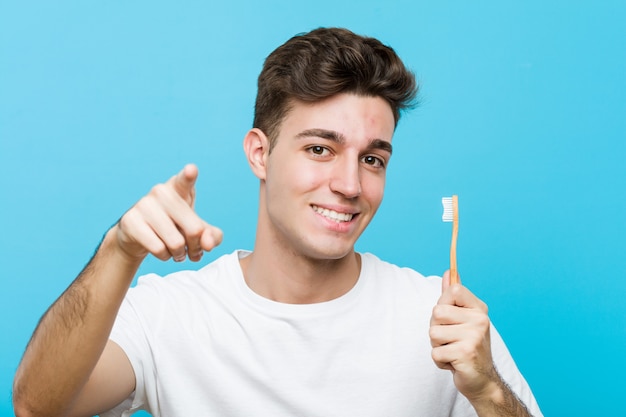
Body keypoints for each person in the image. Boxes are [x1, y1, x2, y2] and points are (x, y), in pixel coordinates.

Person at [13, 27, 542, 417]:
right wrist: (119, 250)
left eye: (373, 159)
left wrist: (489, 391)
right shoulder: (170, 316)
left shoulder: (443, 323)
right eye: (320, 148)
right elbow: (38, 407)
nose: (351, 185)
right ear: (259, 154)